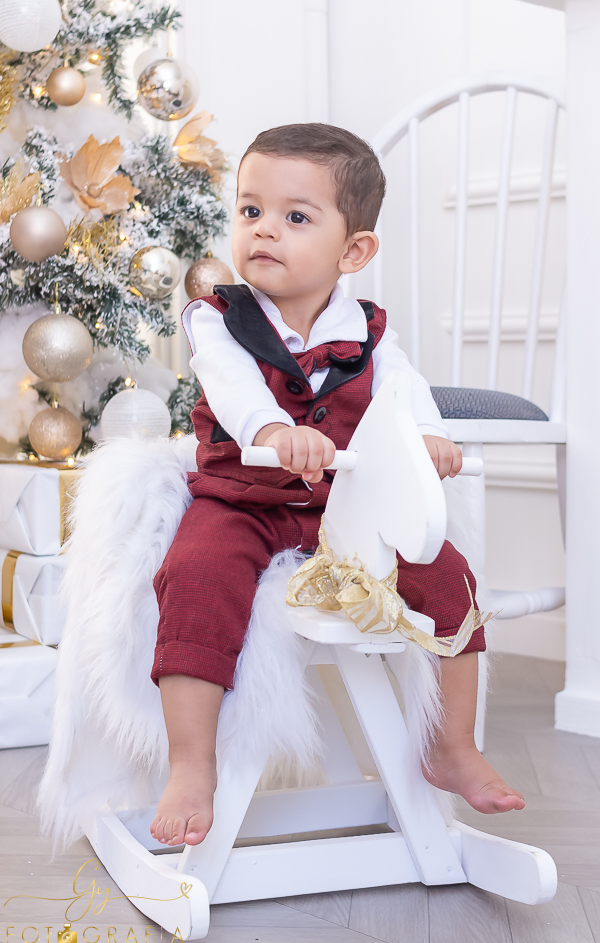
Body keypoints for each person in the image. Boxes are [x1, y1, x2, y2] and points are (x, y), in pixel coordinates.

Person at [149, 123, 525, 850]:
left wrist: (424, 437)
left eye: (295, 217)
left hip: (341, 510)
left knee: (448, 574)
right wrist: (270, 430)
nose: (263, 229)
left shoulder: (370, 335)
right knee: (195, 574)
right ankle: (191, 763)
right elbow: (230, 386)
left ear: (352, 251)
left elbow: (403, 393)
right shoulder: (217, 318)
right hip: (241, 503)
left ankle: (451, 743)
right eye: (250, 210)